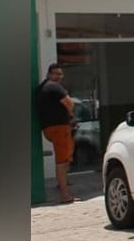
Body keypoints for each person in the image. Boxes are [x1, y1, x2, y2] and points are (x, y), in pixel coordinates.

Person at [35, 63, 79, 204]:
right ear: (49, 74)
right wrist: (71, 115)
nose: (59, 77)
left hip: (48, 128)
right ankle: (65, 195)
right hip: (59, 127)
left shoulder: (41, 88)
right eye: (57, 74)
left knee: (64, 158)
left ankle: (63, 182)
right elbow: (69, 102)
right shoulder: (54, 87)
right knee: (62, 161)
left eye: (61, 74)